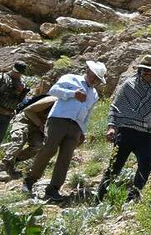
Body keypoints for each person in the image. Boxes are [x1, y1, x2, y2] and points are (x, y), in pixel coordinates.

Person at [23, 61, 106, 201]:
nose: (94, 80)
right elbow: (53, 91)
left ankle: (54, 188)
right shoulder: (70, 78)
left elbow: (88, 112)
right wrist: (73, 94)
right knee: (48, 149)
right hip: (58, 119)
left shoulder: (94, 94)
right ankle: (30, 180)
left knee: (66, 157)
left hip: (76, 126)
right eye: (94, 76)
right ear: (88, 71)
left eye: (97, 78)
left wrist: (82, 131)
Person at [97, 57, 151, 201]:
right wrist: (111, 126)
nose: (149, 73)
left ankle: (132, 198)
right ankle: (99, 199)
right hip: (126, 132)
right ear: (141, 70)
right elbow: (116, 106)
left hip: (146, 134)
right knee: (114, 168)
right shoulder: (128, 85)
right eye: (146, 70)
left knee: (145, 166)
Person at [0, 87, 56, 182]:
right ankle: (2, 168)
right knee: (19, 141)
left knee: (38, 146)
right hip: (24, 120)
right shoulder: (53, 100)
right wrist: (40, 124)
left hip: (37, 126)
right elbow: (28, 110)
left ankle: (13, 162)